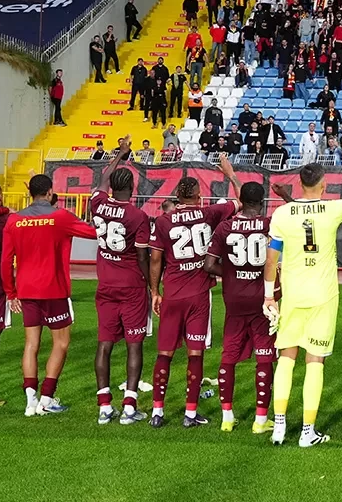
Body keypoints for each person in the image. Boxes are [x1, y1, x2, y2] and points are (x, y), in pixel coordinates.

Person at [263, 151, 342, 446]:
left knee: (286, 358)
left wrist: (269, 297)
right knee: (315, 361)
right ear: (323, 187)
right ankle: (308, 432)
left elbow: (271, 261)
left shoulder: (282, 214)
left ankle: (279, 426)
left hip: (293, 294)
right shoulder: (332, 210)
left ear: (299, 184)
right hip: (323, 295)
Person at [147, 167, 241, 428]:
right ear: (199, 197)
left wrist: (155, 292)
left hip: (173, 295)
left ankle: (158, 412)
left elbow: (155, 259)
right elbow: (241, 199)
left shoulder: (164, 221)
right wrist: (231, 174)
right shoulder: (208, 213)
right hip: (199, 295)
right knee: (195, 354)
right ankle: (190, 414)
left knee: (164, 354)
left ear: (177, 195)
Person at [1, 174, 98, 416]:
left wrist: (10, 292)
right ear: (51, 192)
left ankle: (30, 399)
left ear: (30, 192)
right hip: (53, 288)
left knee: (31, 344)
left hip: (26, 288)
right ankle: (46, 396)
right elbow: (94, 233)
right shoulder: (60, 216)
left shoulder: (14, 220)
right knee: (61, 343)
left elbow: (5, 261)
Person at [88, 144, 154, 425]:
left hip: (105, 284)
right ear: (133, 186)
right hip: (131, 286)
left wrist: (119, 155)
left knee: (104, 344)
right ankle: (129, 405)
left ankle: (104, 406)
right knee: (134, 344)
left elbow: (102, 181)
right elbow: (141, 255)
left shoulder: (98, 204)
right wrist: (152, 285)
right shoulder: (138, 216)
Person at [203, 179, 275, 433]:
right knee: (265, 358)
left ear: (241, 202)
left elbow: (209, 265)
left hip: (233, 299)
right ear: (263, 201)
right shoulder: (269, 225)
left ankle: (227, 417)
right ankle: (260, 419)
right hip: (261, 299)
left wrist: (232, 273)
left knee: (229, 357)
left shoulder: (225, 227)